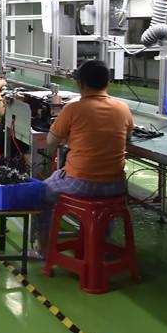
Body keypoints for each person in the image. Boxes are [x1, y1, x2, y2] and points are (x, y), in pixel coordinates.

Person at [36, 60, 133, 255]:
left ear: (80, 83)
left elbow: (51, 142)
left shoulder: (73, 109)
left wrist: (66, 141)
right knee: (103, 209)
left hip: (82, 183)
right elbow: (128, 137)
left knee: (41, 192)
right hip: (116, 185)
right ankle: (97, 246)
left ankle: (43, 250)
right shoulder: (123, 109)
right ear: (107, 82)